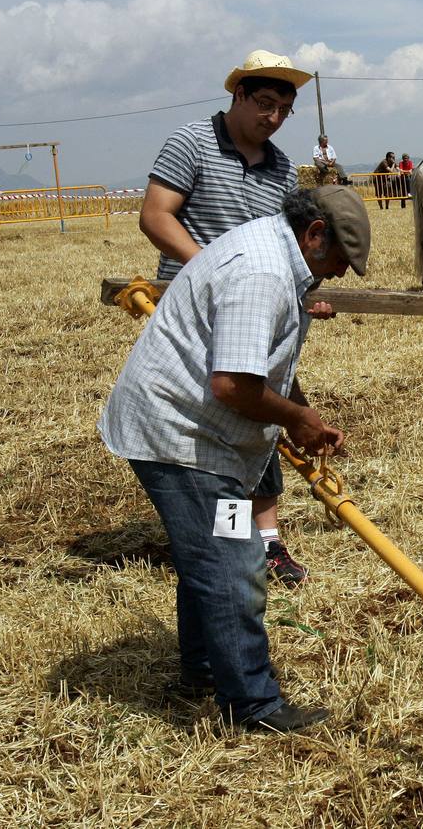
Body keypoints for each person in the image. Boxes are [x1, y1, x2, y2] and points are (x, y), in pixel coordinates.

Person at [100, 185, 373, 731]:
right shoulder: (263, 273)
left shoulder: (274, 253)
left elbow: (259, 363)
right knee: (235, 562)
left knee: (210, 556)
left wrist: (301, 410)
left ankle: (205, 668)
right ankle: (252, 704)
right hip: (181, 439)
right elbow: (230, 385)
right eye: (340, 259)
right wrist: (296, 419)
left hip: (202, 438)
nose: (340, 274)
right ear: (314, 233)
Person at [138, 48, 316, 586]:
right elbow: (155, 215)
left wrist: (301, 290)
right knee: (212, 423)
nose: (273, 118)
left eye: (283, 110)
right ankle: (223, 535)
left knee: (257, 412)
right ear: (236, 95)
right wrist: (213, 271)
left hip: (255, 309)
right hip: (196, 310)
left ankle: (264, 540)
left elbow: (288, 245)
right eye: (264, 104)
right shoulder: (191, 143)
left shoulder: (283, 168)